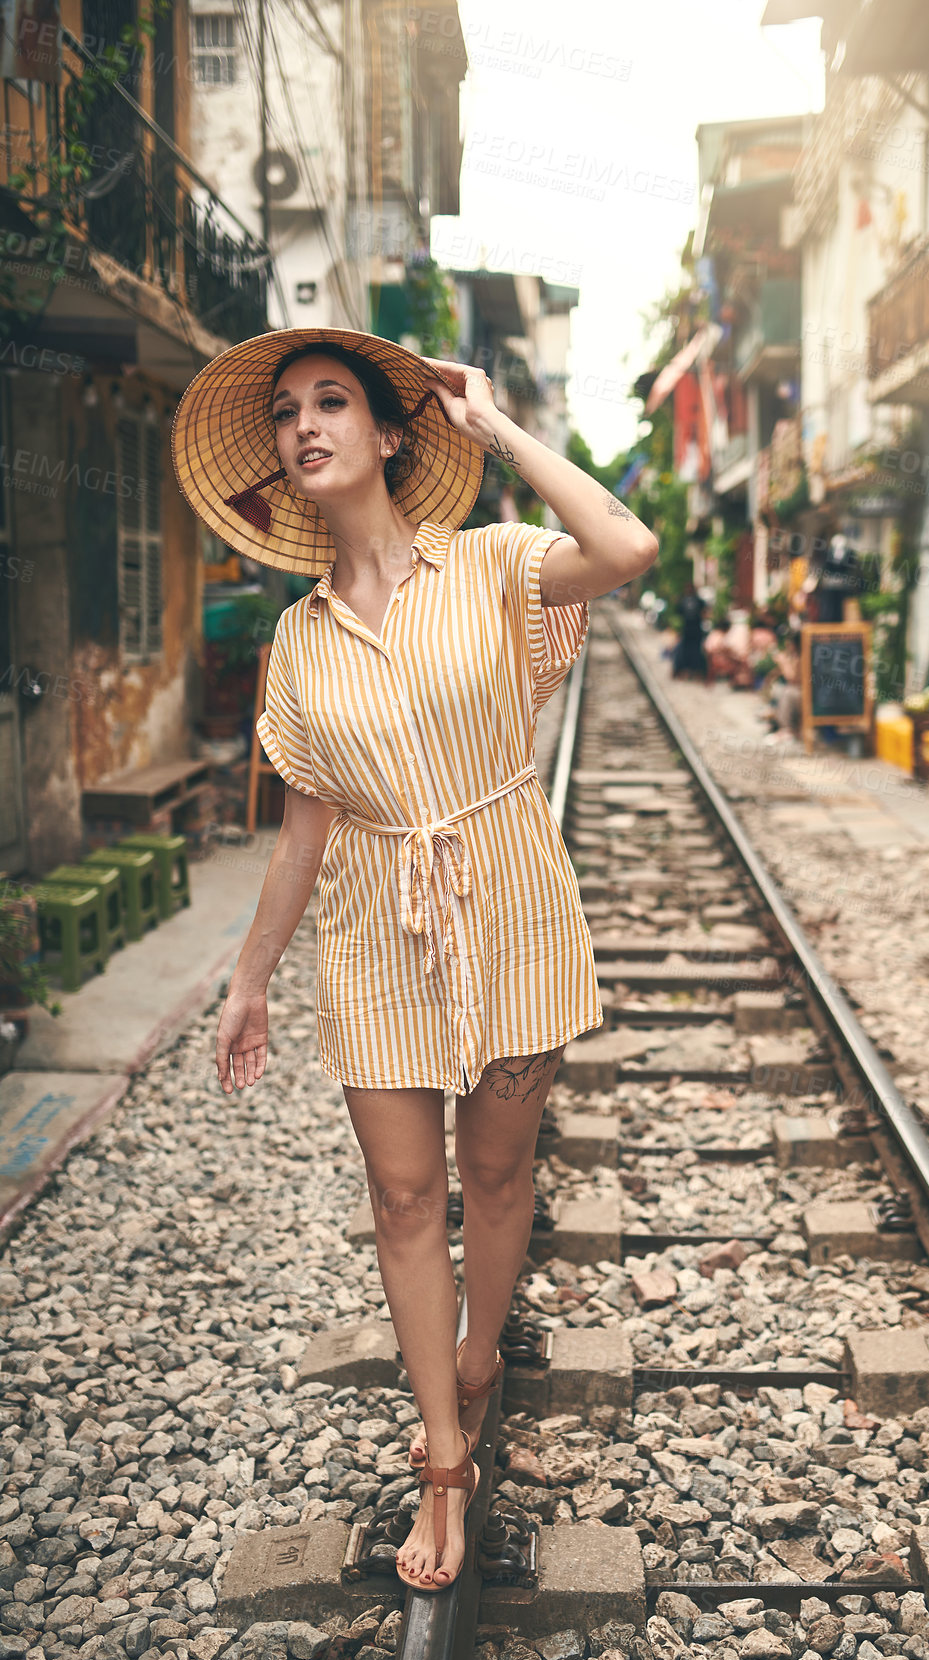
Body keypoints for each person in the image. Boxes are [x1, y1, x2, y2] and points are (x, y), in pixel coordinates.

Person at [169, 328, 658, 1594]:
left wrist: (490, 424)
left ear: (391, 436)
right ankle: (444, 1455)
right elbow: (304, 825)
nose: (304, 425)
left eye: (332, 402)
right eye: (285, 413)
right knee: (402, 1199)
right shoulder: (301, 639)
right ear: (278, 457)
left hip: (510, 909)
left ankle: (478, 1361)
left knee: (497, 1181)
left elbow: (628, 547)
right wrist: (250, 978)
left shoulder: (496, 568)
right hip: (374, 931)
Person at [671, 583, 707, 680]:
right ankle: (690, 672)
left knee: (691, 652)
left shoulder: (688, 601)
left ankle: (692, 672)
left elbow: (678, 612)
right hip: (691, 630)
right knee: (691, 652)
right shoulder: (694, 601)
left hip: (691, 630)